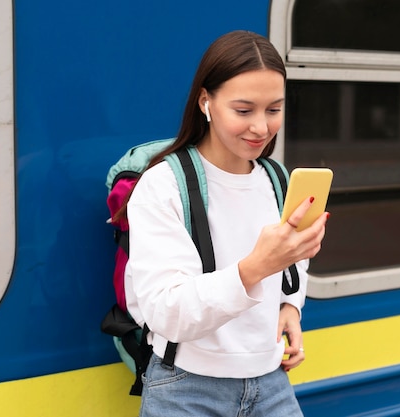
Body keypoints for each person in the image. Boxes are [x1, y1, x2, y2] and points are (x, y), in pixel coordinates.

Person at [123, 30, 329, 417]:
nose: (261, 128)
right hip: (187, 388)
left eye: (274, 109)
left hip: (271, 381)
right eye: (243, 110)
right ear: (206, 102)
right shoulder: (163, 185)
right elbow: (166, 312)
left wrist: (290, 306)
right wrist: (256, 267)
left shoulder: (278, 179)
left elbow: (293, 264)